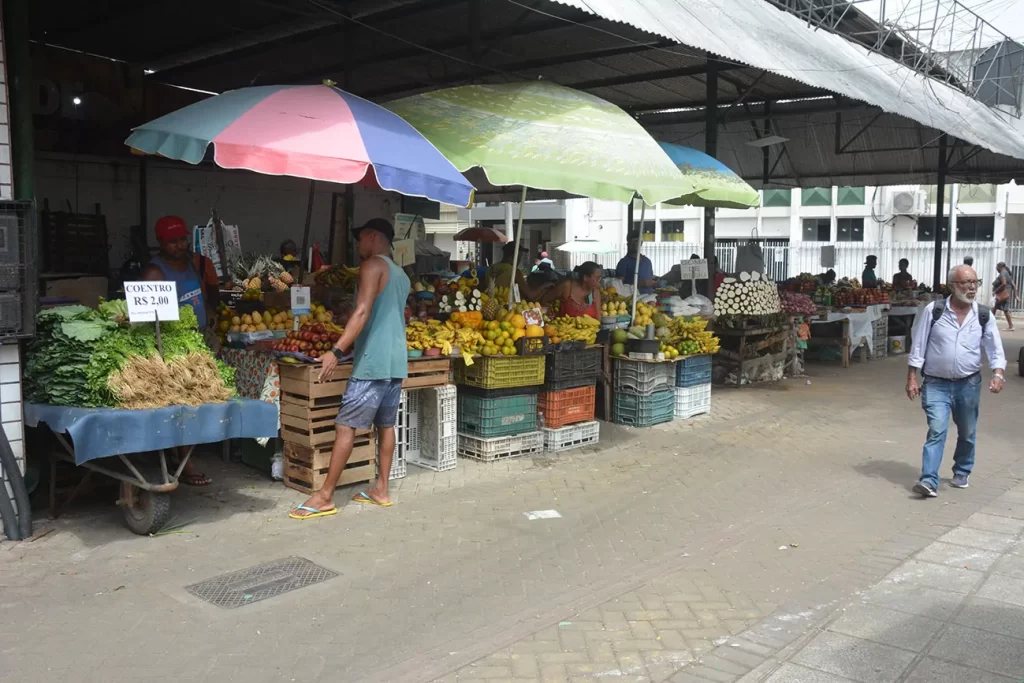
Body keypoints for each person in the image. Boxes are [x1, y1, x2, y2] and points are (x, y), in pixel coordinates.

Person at [290, 218, 410, 519]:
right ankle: (381, 489)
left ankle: (325, 496)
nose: (358, 246)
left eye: (360, 240)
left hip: (373, 361)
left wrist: (335, 350)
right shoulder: (402, 274)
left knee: (346, 425)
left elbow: (362, 310)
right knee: (385, 425)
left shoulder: (372, 267)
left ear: (372, 237)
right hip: (396, 361)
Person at [906, 264, 1006, 498]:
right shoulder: (935, 310)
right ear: (952, 285)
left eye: (974, 282)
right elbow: (918, 345)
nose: (971, 287)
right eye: (965, 282)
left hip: (968, 384)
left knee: (967, 431)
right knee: (937, 429)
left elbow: (995, 349)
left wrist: (998, 373)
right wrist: (912, 377)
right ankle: (929, 480)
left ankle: (962, 469)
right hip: (935, 383)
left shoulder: (983, 315)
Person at [142, 215, 221, 487]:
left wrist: (208, 311)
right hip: (174, 349)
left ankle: (182, 459)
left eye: (182, 239)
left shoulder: (192, 265)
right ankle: (185, 464)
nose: (179, 245)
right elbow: (149, 318)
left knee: (197, 404)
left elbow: (200, 295)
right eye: (172, 241)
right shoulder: (156, 272)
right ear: (161, 243)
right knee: (183, 406)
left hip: (196, 342)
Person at [993, 262, 1019, 332]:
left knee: (996, 308)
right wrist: (1016, 296)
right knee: (1002, 309)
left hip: (1002, 295)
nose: (996, 268)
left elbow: (1004, 284)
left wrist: (995, 291)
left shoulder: (1003, 274)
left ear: (1000, 267)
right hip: (1005, 294)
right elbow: (1013, 285)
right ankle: (1010, 326)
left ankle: (988, 323)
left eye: (996, 267)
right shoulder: (1007, 274)